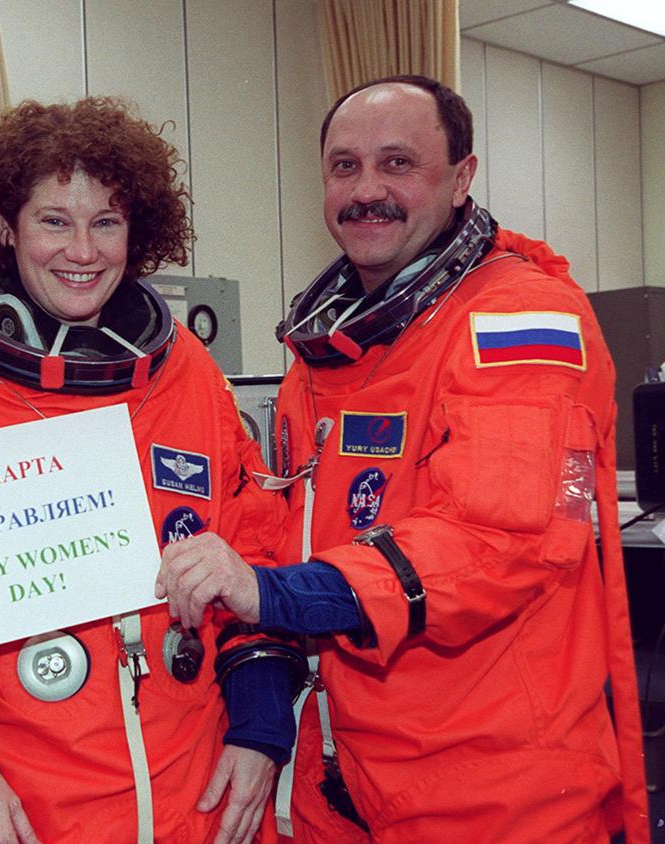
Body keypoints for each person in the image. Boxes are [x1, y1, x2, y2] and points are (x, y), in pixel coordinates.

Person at [156, 75, 649, 842]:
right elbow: (281, 521)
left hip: (494, 793)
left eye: (398, 164)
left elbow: (498, 536)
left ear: (461, 179)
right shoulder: (324, 353)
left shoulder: (521, 319)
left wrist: (277, 595)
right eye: (345, 167)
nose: (367, 190)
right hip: (342, 769)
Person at [0, 97, 299, 844]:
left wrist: (260, 730)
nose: (82, 250)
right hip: (5, 809)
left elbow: (255, 548)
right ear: (5, 225)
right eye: (54, 220)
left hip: (190, 796)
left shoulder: (186, 370)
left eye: (107, 222)